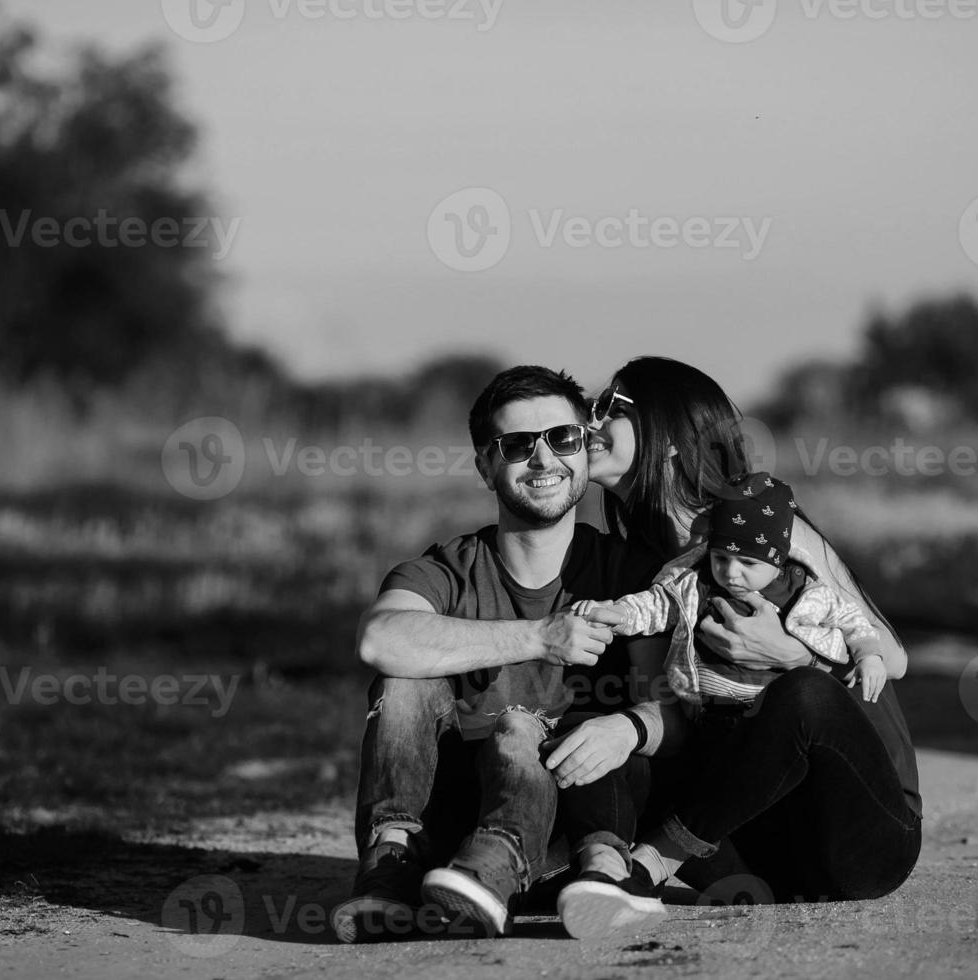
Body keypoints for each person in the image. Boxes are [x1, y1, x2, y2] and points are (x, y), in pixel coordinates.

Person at [332, 365, 675, 943]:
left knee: (527, 731)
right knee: (404, 677)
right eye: (517, 446)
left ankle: (518, 873)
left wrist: (631, 726)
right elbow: (379, 639)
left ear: (587, 452)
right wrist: (538, 636)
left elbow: (680, 707)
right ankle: (390, 870)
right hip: (451, 833)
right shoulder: (445, 568)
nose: (544, 461)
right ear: (486, 466)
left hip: (572, 839)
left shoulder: (632, 573)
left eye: (563, 439)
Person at [580, 356, 923, 912]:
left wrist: (791, 653)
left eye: (610, 408)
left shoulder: (761, 527)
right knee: (616, 741)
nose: (592, 423)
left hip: (865, 834)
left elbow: (895, 658)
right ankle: (565, 871)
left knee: (803, 693)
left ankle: (654, 862)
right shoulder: (645, 572)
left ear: (669, 435)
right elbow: (665, 711)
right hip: (762, 849)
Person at [573, 470, 889, 707]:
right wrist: (617, 613)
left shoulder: (806, 589)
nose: (730, 573)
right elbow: (655, 606)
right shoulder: (698, 584)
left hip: (778, 707)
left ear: (778, 560)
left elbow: (852, 620)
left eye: (748, 564)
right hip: (707, 710)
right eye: (720, 558)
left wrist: (869, 656)